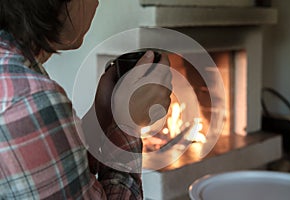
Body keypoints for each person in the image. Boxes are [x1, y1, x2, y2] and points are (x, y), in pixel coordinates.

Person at [0, 0, 171, 199]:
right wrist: (127, 125)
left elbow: (64, 173)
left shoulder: (12, 70)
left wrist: (101, 115)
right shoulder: (29, 101)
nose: (97, 3)